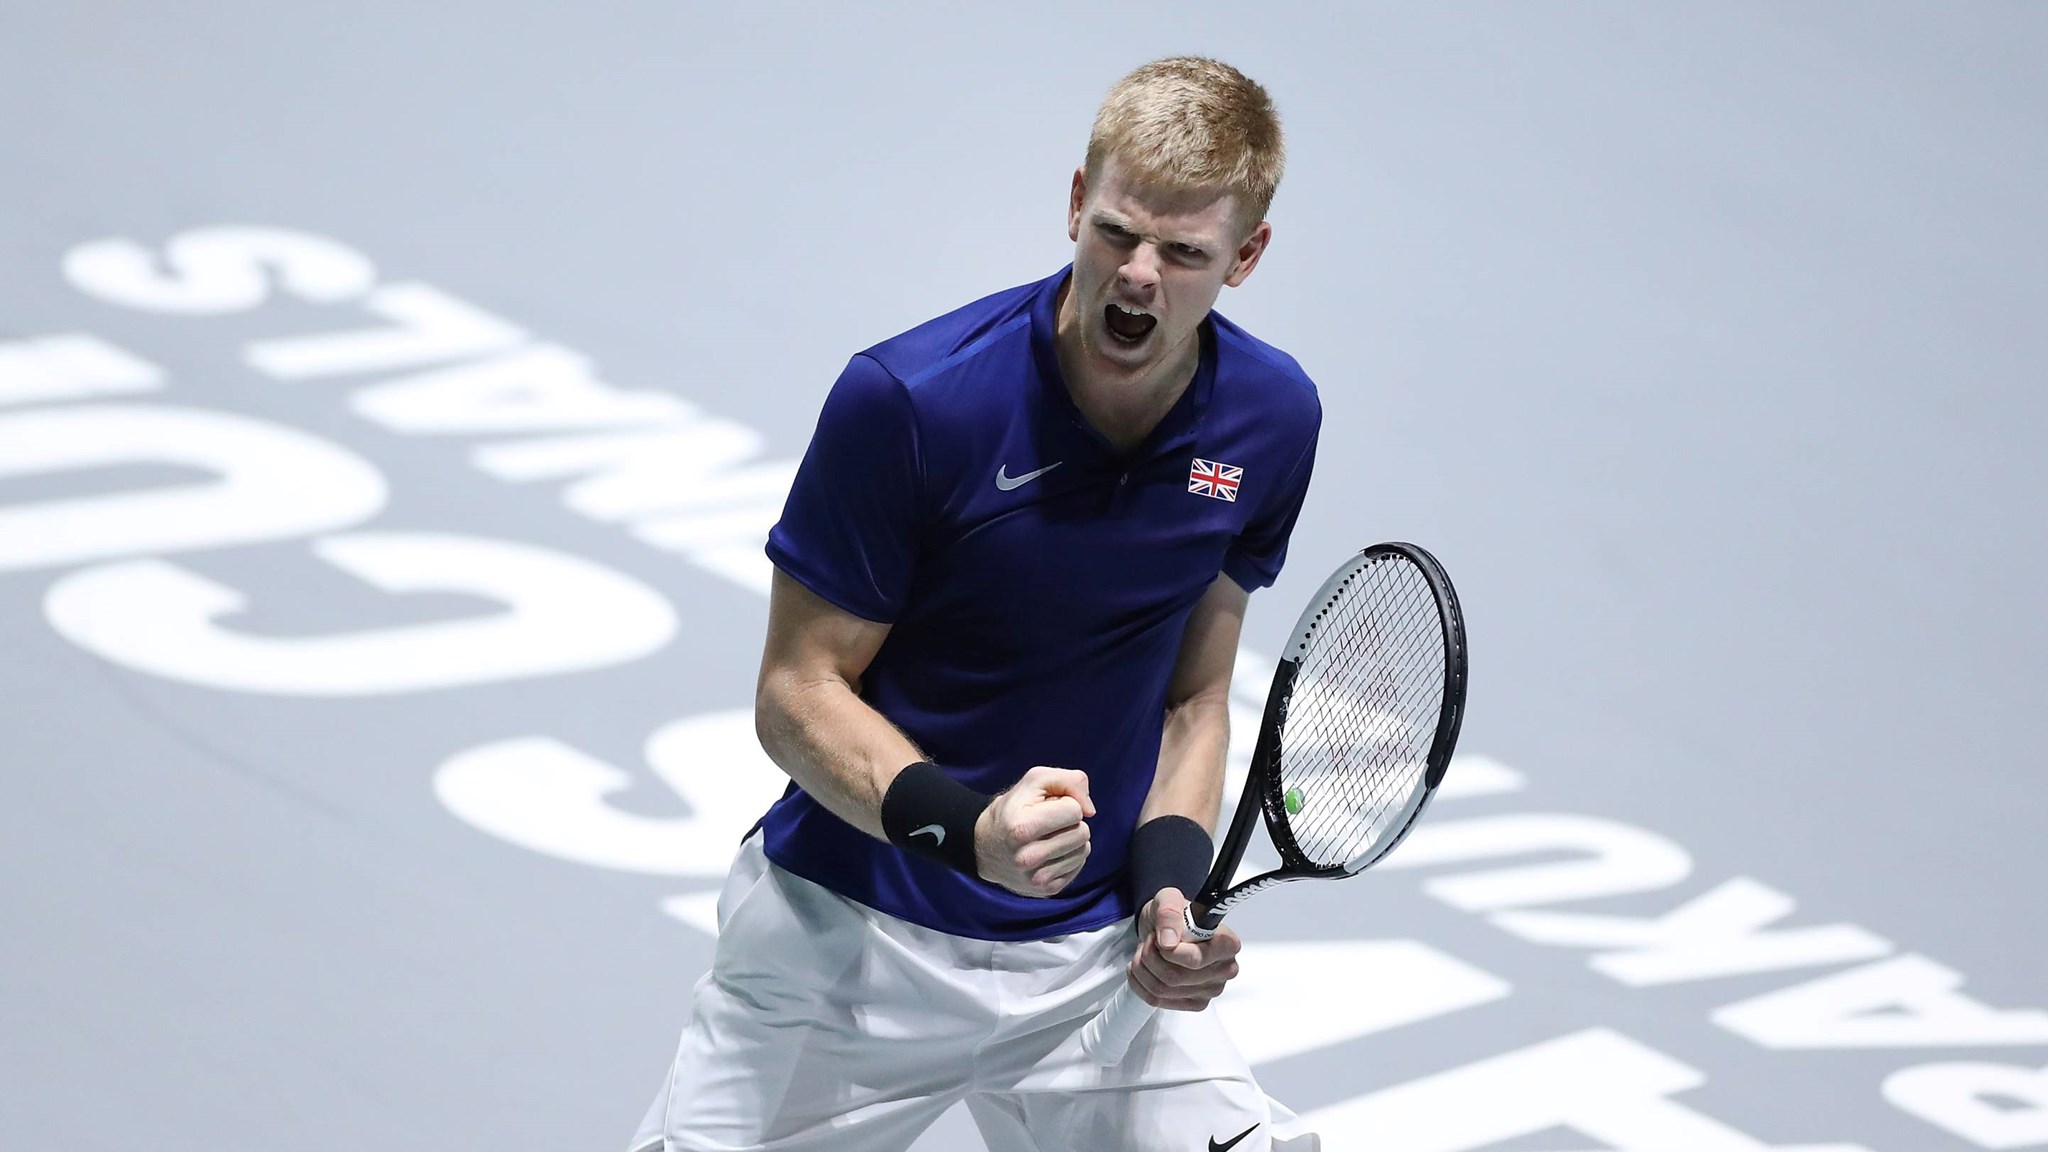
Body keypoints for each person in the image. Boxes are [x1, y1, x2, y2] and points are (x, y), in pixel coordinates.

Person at [630, 56, 1322, 1152]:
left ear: (1244, 257)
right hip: (847, 947)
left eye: (1182, 253)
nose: (1137, 276)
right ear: (1072, 203)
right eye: (1113, 233)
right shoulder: (911, 403)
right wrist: (971, 833)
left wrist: (1167, 895)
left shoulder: (1270, 419)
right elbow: (794, 693)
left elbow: (1192, 700)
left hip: (1087, 973)